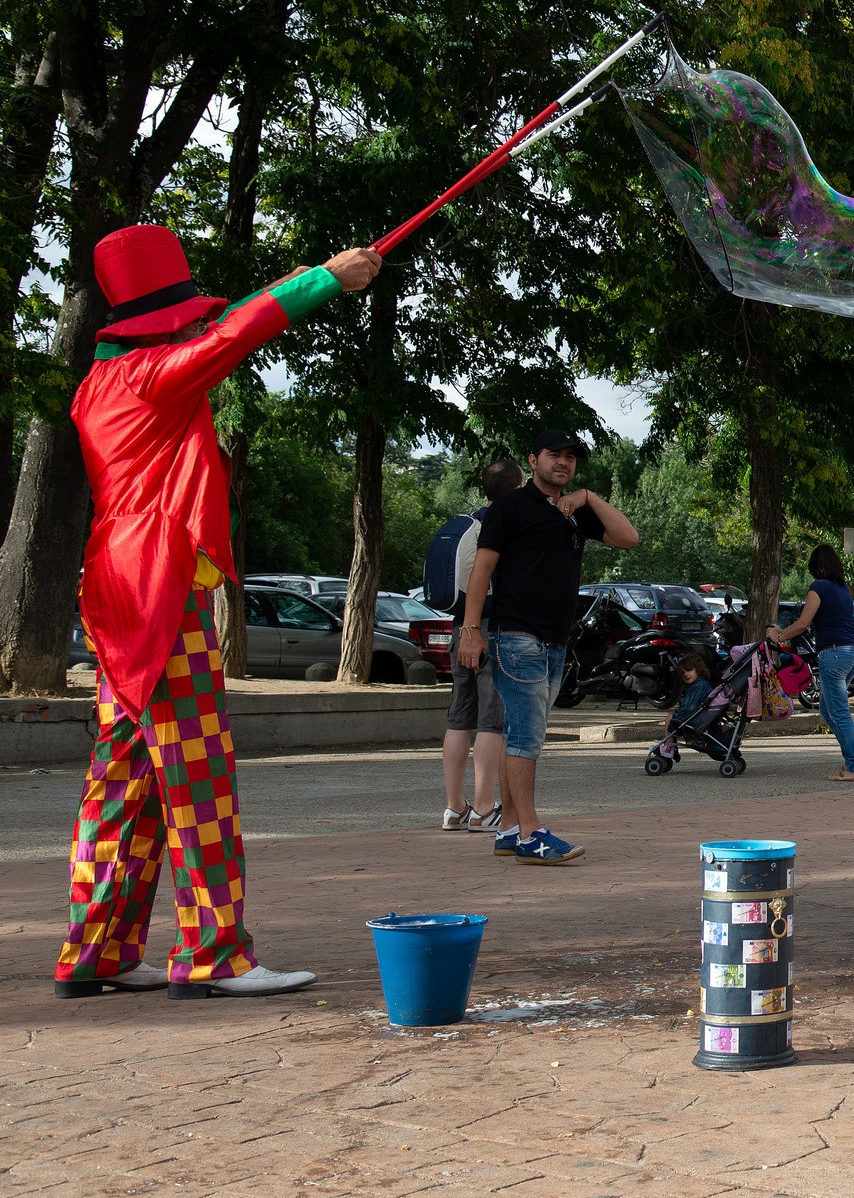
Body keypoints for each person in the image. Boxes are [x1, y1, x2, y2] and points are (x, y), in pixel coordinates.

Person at [56, 224, 381, 1000]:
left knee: (124, 776)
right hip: (160, 582)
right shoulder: (153, 377)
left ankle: (96, 950)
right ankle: (213, 954)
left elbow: (220, 329)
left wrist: (316, 275)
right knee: (195, 773)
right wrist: (325, 280)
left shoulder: (97, 385)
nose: (192, 330)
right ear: (163, 325)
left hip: (113, 581)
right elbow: (232, 334)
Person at [460, 429, 639, 864]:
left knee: (516, 735)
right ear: (533, 459)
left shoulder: (573, 512)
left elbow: (628, 537)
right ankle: (530, 833)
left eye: (570, 457)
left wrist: (588, 497)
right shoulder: (510, 506)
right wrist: (471, 630)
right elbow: (482, 569)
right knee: (526, 737)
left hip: (556, 641)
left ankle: (508, 830)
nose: (562, 462)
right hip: (517, 637)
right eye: (553, 454)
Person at [440, 457, 523, 832]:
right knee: (493, 720)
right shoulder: (505, 525)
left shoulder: (469, 523)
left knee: (459, 716)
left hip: (462, 627)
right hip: (493, 629)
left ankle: (454, 807)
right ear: (516, 488)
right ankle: (485, 808)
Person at [766, 545, 854, 781]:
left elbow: (803, 623)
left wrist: (778, 637)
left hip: (834, 654)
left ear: (816, 566)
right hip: (852, 652)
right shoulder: (843, 589)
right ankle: (851, 760)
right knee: (827, 709)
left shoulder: (818, 587)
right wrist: (784, 631)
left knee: (838, 712)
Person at [672, 652, 714, 723]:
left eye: (689, 670)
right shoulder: (697, 685)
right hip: (696, 718)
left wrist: (676, 716)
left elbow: (691, 708)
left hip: (697, 720)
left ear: (698, 669)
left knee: (670, 717)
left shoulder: (699, 686)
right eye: (682, 673)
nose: (685, 674)